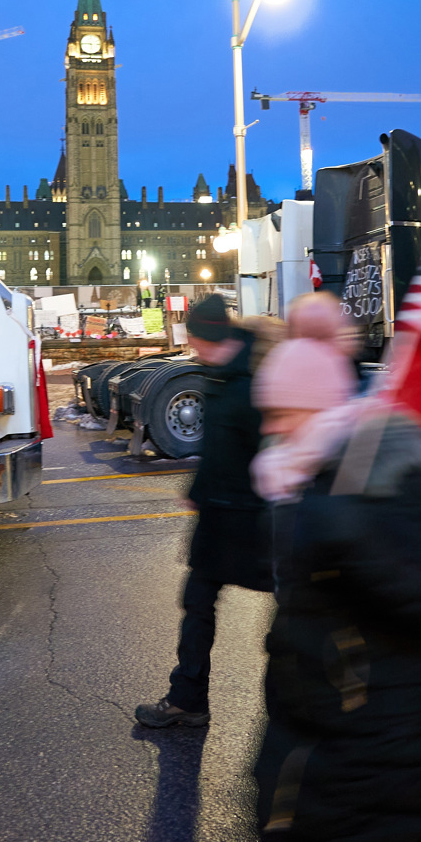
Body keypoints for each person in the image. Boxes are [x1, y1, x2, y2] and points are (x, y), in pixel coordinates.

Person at [246, 335, 421, 842]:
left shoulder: (369, 487)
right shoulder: (312, 482)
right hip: (328, 716)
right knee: (286, 818)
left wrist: (351, 538)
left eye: (282, 413)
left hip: (382, 731)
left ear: (320, 410)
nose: (272, 428)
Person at [135, 294, 275, 729]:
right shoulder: (225, 374)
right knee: (196, 604)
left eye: (195, 338)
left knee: (291, 615)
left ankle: (297, 711)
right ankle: (187, 698)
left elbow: (268, 456)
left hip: (253, 522)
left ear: (208, 336)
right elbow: (216, 451)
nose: (192, 347)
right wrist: (197, 490)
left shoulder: (252, 382)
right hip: (219, 518)